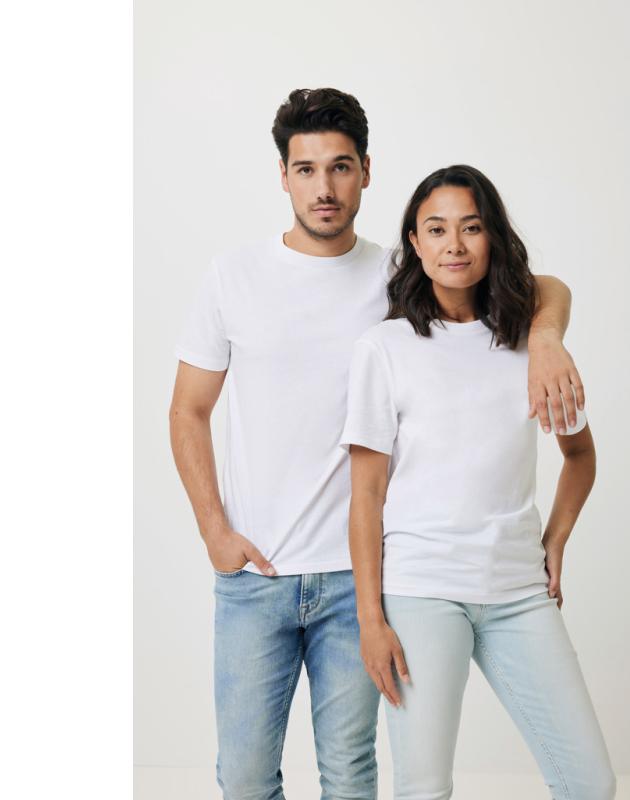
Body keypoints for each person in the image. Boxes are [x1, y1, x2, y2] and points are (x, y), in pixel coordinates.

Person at [169, 89, 583, 800]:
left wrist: (545, 338)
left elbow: (537, 285)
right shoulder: (232, 276)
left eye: (340, 167)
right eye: (306, 169)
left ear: (366, 171)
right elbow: (188, 410)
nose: (324, 188)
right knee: (243, 777)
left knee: (351, 773)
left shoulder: (402, 273)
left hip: (356, 578)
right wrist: (215, 530)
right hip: (255, 576)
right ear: (283, 175)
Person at [341, 164, 616, 800]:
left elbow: (579, 455)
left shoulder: (531, 345)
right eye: (436, 229)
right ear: (414, 242)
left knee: (589, 783)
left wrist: (556, 538)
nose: (455, 245)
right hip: (421, 590)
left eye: (471, 227)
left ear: (492, 236)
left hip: (518, 590)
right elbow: (366, 496)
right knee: (424, 787)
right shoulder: (384, 349)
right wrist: (370, 619)